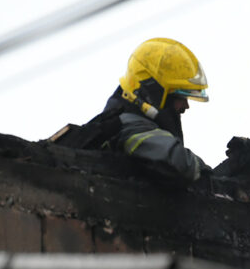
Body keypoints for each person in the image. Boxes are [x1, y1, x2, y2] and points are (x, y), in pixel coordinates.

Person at [55, 38, 211, 182]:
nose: (185, 106)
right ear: (154, 93)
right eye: (180, 97)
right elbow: (180, 163)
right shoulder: (128, 126)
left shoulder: (135, 123)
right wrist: (210, 173)